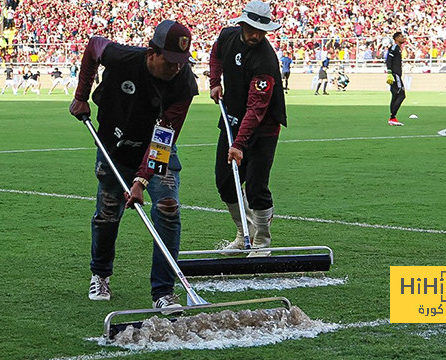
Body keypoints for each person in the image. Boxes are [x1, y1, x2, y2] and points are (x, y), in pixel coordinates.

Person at [69, 20, 198, 313]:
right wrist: (81, 96)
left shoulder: (184, 83)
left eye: (181, 62)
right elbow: (91, 47)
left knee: (167, 207)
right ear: (152, 53)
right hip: (113, 146)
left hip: (155, 147)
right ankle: (100, 274)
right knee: (108, 212)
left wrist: (141, 179)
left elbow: (165, 137)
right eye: (170, 61)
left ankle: (164, 292)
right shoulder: (121, 56)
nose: (176, 68)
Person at [209, 1, 287, 257]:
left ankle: (262, 242)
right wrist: (214, 82)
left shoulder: (265, 60)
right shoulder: (228, 36)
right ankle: (244, 235)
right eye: (252, 28)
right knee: (225, 182)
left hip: (262, 130)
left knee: (255, 186)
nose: (256, 35)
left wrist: (239, 145)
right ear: (242, 24)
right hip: (231, 120)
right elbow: (215, 53)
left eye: (261, 30)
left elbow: (256, 109)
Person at [386, 32, 406, 126]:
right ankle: (393, 117)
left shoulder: (398, 49)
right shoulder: (394, 48)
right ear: (396, 38)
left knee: (395, 95)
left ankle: (392, 118)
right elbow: (388, 59)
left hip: (395, 74)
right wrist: (390, 71)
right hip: (395, 74)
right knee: (401, 94)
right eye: (401, 37)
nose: (403, 38)